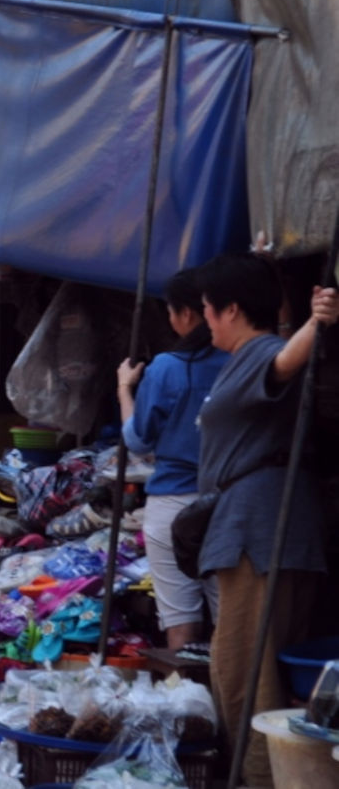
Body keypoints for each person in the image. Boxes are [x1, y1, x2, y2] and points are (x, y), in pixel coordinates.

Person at [193, 253, 338, 787]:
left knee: (241, 670)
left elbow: (284, 362)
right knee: (266, 666)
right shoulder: (249, 352)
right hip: (272, 524)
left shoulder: (262, 353)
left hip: (257, 531)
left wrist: (317, 321)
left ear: (230, 309)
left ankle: (259, 779)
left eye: (207, 309)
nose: (204, 319)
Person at [116, 268, 226, 652]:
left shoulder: (167, 366)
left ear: (190, 315)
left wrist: (124, 389)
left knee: (181, 621)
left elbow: (138, 439)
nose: (169, 319)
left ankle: (189, 707)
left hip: (174, 503)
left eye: (171, 311)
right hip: (228, 502)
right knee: (229, 620)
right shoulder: (243, 361)